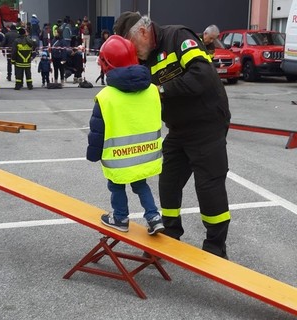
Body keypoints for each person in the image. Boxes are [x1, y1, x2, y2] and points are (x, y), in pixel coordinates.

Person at [113, 12, 231, 258]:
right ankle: (171, 233)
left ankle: (215, 247)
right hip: (179, 128)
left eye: (132, 46)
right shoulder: (145, 57)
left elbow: (203, 75)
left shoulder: (178, 37)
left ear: (143, 33)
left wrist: (161, 89)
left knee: (208, 185)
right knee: (168, 180)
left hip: (206, 123)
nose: (133, 54)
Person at [86, 35, 165, 235]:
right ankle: (154, 217)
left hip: (119, 158)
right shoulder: (152, 91)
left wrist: (93, 154)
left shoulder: (106, 97)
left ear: (107, 64)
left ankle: (120, 218)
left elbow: (98, 130)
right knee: (141, 185)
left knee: (117, 186)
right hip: (145, 155)